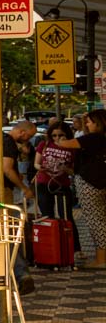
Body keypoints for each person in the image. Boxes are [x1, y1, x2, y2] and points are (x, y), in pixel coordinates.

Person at [49, 109, 106, 267]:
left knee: (96, 220)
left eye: (89, 122)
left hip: (90, 183)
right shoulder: (100, 138)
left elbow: (64, 144)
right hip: (99, 181)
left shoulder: (93, 138)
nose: (86, 124)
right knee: (99, 218)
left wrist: (58, 138)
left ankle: (101, 260)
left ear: (98, 123)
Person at [37, 120, 77, 223]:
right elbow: (36, 163)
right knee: (47, 216)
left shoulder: (72, 147)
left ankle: (70, 238)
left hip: (62, 184)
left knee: (66, 216)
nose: (57, 138)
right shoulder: (45, 144)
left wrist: (65, 169)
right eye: (54, 135)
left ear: (67, 134)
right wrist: (40, 167)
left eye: (60, 135)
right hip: (44, 183)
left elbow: (75, 171)